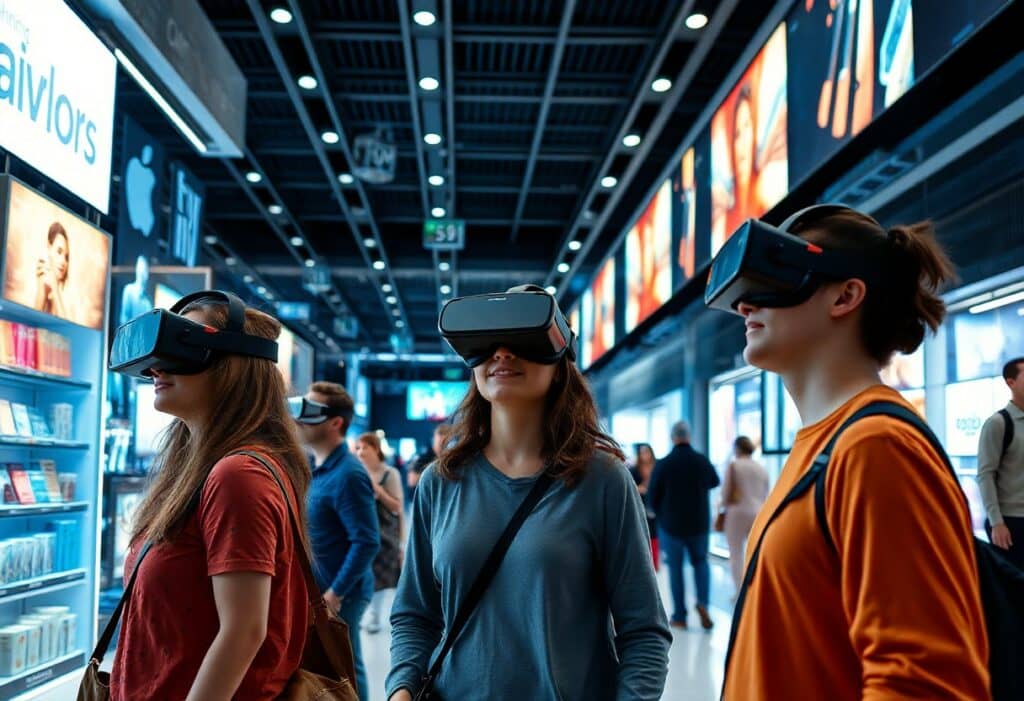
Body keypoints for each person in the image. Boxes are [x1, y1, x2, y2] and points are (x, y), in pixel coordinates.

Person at [716, 205, 988, 698]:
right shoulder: (826, 443)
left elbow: (922, 684)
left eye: (777, 276)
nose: (744, 305)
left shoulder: (876, 447)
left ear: (845, 296)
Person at [387, 291, 671, 701]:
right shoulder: (440, 481)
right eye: (487, 343)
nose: (502, 353)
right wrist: (401, 689)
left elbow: (643, 629)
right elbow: (415, 614)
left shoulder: (602, 481)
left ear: (559, 363)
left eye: (523, 339)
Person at [109, 294, 310, 700]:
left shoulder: (237, 476)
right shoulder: (199, 472)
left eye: (181, 350)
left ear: (233, 366)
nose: (154, 369)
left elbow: (244, 632)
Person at [294, 382, 380, 701]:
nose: (300, 419)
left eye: (311, 412)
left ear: (335, 423)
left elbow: (366, 541)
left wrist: (335, 593)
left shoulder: (348, 474)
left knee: (346, 668)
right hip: (323, 591)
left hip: (342, 594)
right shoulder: (321, 470)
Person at [648, 421, 720, 630]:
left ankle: (680, 615)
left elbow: (652, 496)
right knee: (700, 563)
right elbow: (715, 481)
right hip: (698, 524)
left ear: (673, 438)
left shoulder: (664, 463)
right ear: (689, 437)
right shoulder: (701, 460)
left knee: (676, 569)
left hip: (671, 526)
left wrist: (660, 512)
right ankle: (703, 604)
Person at [354, 431, 405, 635]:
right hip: (361, 533)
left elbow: (398, 507)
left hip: (385, 535)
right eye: (357, 448)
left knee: (381, 577)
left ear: (375, 449)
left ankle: (374, 616)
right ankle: (363, 613)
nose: (360, 452)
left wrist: (378, 490)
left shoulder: (389, 473)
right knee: (362, 572)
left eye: (364, 447)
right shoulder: (356, 472)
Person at [977, 357, 1024, 569]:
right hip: (1010, 523)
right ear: (1010, 382)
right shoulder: (998, 423)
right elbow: (986, 475)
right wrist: (996, 522)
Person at [719, 436, 769, 592]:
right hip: (758, 512)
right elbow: (765, 493)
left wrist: (721, 506)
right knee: (756, 552)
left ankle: (740, 591)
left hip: (736, 513)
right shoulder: (761, 468)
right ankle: (757, 589)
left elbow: (726, 492)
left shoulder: (734, 466)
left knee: (736, 554)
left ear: (737, 449)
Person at [629, 443, 659, 570]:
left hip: (654, 504)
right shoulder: (634, 469)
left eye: (647, 452)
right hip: (639, 504)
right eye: (642, 452)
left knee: (654, 534)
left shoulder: (657, 467)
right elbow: (629, 487)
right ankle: (644, 563)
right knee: (641, 533)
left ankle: (655, 563)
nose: (644, 455)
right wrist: (638, 488)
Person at [405, 423, 452, 499]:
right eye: (440, 443)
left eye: (445, 444)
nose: (443, 447)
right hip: (422, 499)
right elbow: (412, 482)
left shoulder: (450, 459)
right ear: (434, 440)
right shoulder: (424, 458)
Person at [35, 222, 70, 317]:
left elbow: (67, 328)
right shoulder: (41, 284)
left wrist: (54, 286)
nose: (63, 262)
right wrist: (42, 288)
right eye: (59, 252)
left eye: (66, 257)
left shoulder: (69, 301)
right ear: (49, 248)